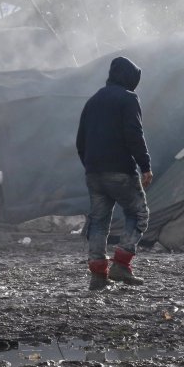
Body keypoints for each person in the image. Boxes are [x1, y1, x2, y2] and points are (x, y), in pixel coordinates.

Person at [75, 56, 153, 290]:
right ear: (129, 78)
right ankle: (121, 264)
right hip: (120, 170)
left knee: (99, 221)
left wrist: (91, 165)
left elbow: (81, 140)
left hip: (94, 173)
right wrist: (145, 165)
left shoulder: (93, 101)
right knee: (138, 214)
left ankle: (98, 275)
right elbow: (134, 134)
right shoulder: (128, 99)